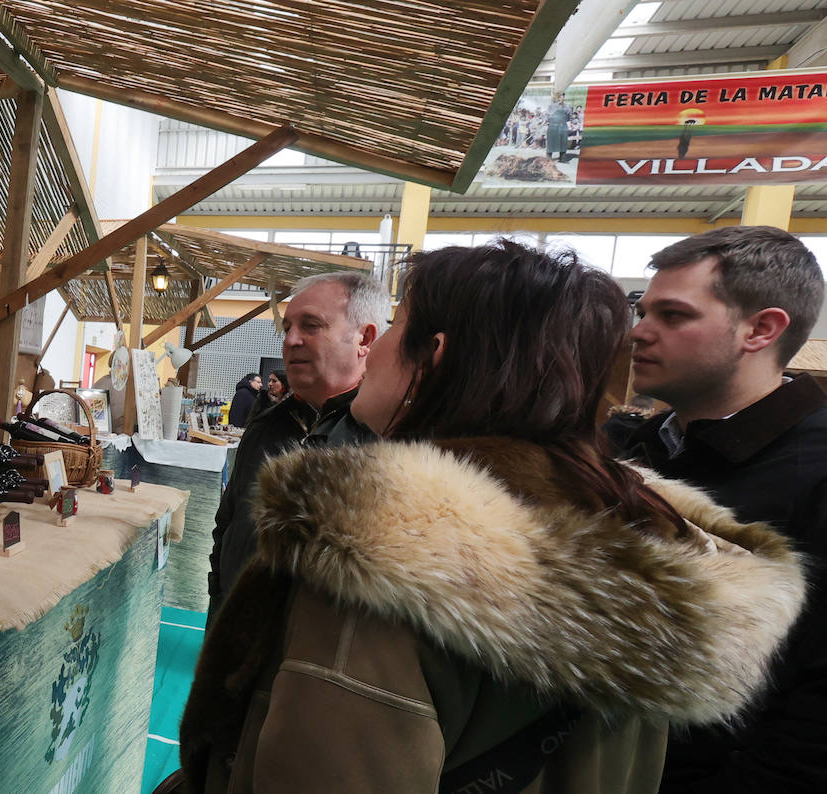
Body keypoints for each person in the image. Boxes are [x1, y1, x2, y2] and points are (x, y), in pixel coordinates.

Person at [180, 241, 805, 793]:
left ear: (434, 355)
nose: (377, 348)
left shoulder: (379, 556)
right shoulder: (638, 533)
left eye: (397, 322)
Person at [619, 226, 827, 793]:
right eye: (643, 310)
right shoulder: (629, 452)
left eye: (673, 316)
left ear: (761, 329)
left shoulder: (815, 475)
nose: (639, 332)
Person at [207, 272, 386, 618]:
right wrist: (218, 596)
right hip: (234, 632)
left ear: (364, 338)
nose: (290, 340)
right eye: (287, 327)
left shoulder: (385, 439)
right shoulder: (266, 424)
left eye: (311, 325)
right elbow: (227, 521)